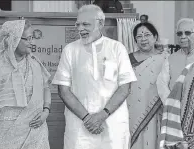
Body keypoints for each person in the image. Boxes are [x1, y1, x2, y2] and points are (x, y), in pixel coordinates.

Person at [52, 4, 137, 149]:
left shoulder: (117, 48)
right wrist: (87, 118)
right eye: (77, 24)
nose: (80, 29)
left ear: (101, 24)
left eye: (85, 24)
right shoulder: (70, 50)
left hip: (112, 124)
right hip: (79, 125)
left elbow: (125, 87)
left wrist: (101, 116)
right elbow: (63, 90)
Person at [0, 20, 51, 149]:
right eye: (29, 38)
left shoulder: (34, 62)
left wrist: (46, 111)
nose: (33, 43)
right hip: (5, 135)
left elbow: (46, 88)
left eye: (33, 38)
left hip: (36, 133)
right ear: (14, 40)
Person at [127, 22, 168, 149]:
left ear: (155, 37)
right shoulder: (127, 59)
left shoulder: (165, 58)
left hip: (156, 110)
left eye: (147, 35)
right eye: (139, 36)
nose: (143, 39)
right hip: (131, 110)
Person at [156, 18, 194, 104]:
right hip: (174, 110)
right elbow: (162, 84)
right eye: (179, 33)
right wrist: (171, 104)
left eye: (187, 33)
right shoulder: (170, 59)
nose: (183, 36)